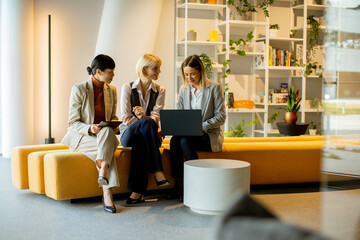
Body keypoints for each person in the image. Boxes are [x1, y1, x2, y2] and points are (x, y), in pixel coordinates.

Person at [62, 54, 119, 213]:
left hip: (104, 134)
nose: (113, 75)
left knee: (107, 131)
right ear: (99, 72)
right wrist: (90, 128)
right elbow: (73, 122)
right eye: (110, 72)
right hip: (83, 136)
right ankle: (107, 192)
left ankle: (103, 172)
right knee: (108, 149)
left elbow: (112, 117)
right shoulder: (79, 89)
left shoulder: (112, 90)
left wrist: (116, 125)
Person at [169, 54, 226, 199]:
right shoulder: (183, 89)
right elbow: (181, 115)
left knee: (184, 141)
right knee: (175, 140)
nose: (189, 78)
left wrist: (201, 126)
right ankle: (178, 186)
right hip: (189, 133)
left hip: (208, 134)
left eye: (192, 74)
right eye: (186, 74)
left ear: (200, 71)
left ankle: (195, 185)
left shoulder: (214, 88)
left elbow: (221, 116)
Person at [119, 53, 168, 204]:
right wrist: (142, 120)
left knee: (141, 144)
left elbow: (156, 117)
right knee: (146, 124)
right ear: (145, 69)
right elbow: (126, 118)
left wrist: (144, 119)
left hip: (146, 137)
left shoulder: (160, 90)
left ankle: (136, 193)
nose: (159, 72)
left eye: (159, 68)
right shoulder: (127, 88)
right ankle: (157, 170)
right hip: (128, 134)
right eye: (156, 69)